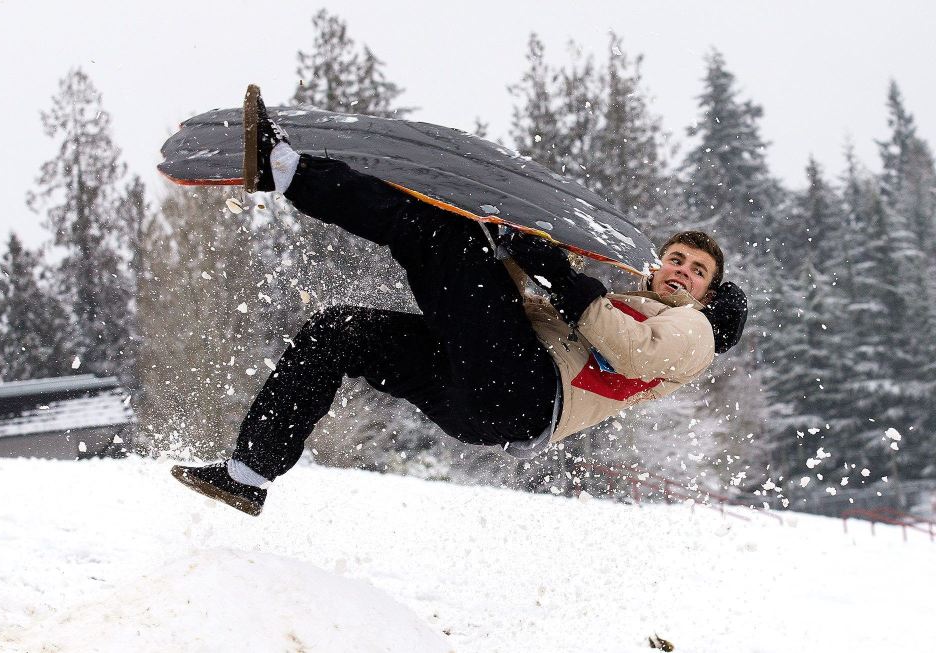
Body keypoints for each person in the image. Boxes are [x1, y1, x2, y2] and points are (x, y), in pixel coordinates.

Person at [171, 93, 748, 516]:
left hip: (528, 395)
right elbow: (530, 315)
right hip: (482, 402)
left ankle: (287, 170)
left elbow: (629, 349)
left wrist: (562, 279)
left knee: (443, 239)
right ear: (655, 265)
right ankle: (248, 473)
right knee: (339, 333)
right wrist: (514, 258)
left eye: (697, 272)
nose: (683, 274)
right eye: (676, 260)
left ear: (708, 292)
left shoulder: (690, 330)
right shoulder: (624, 302)